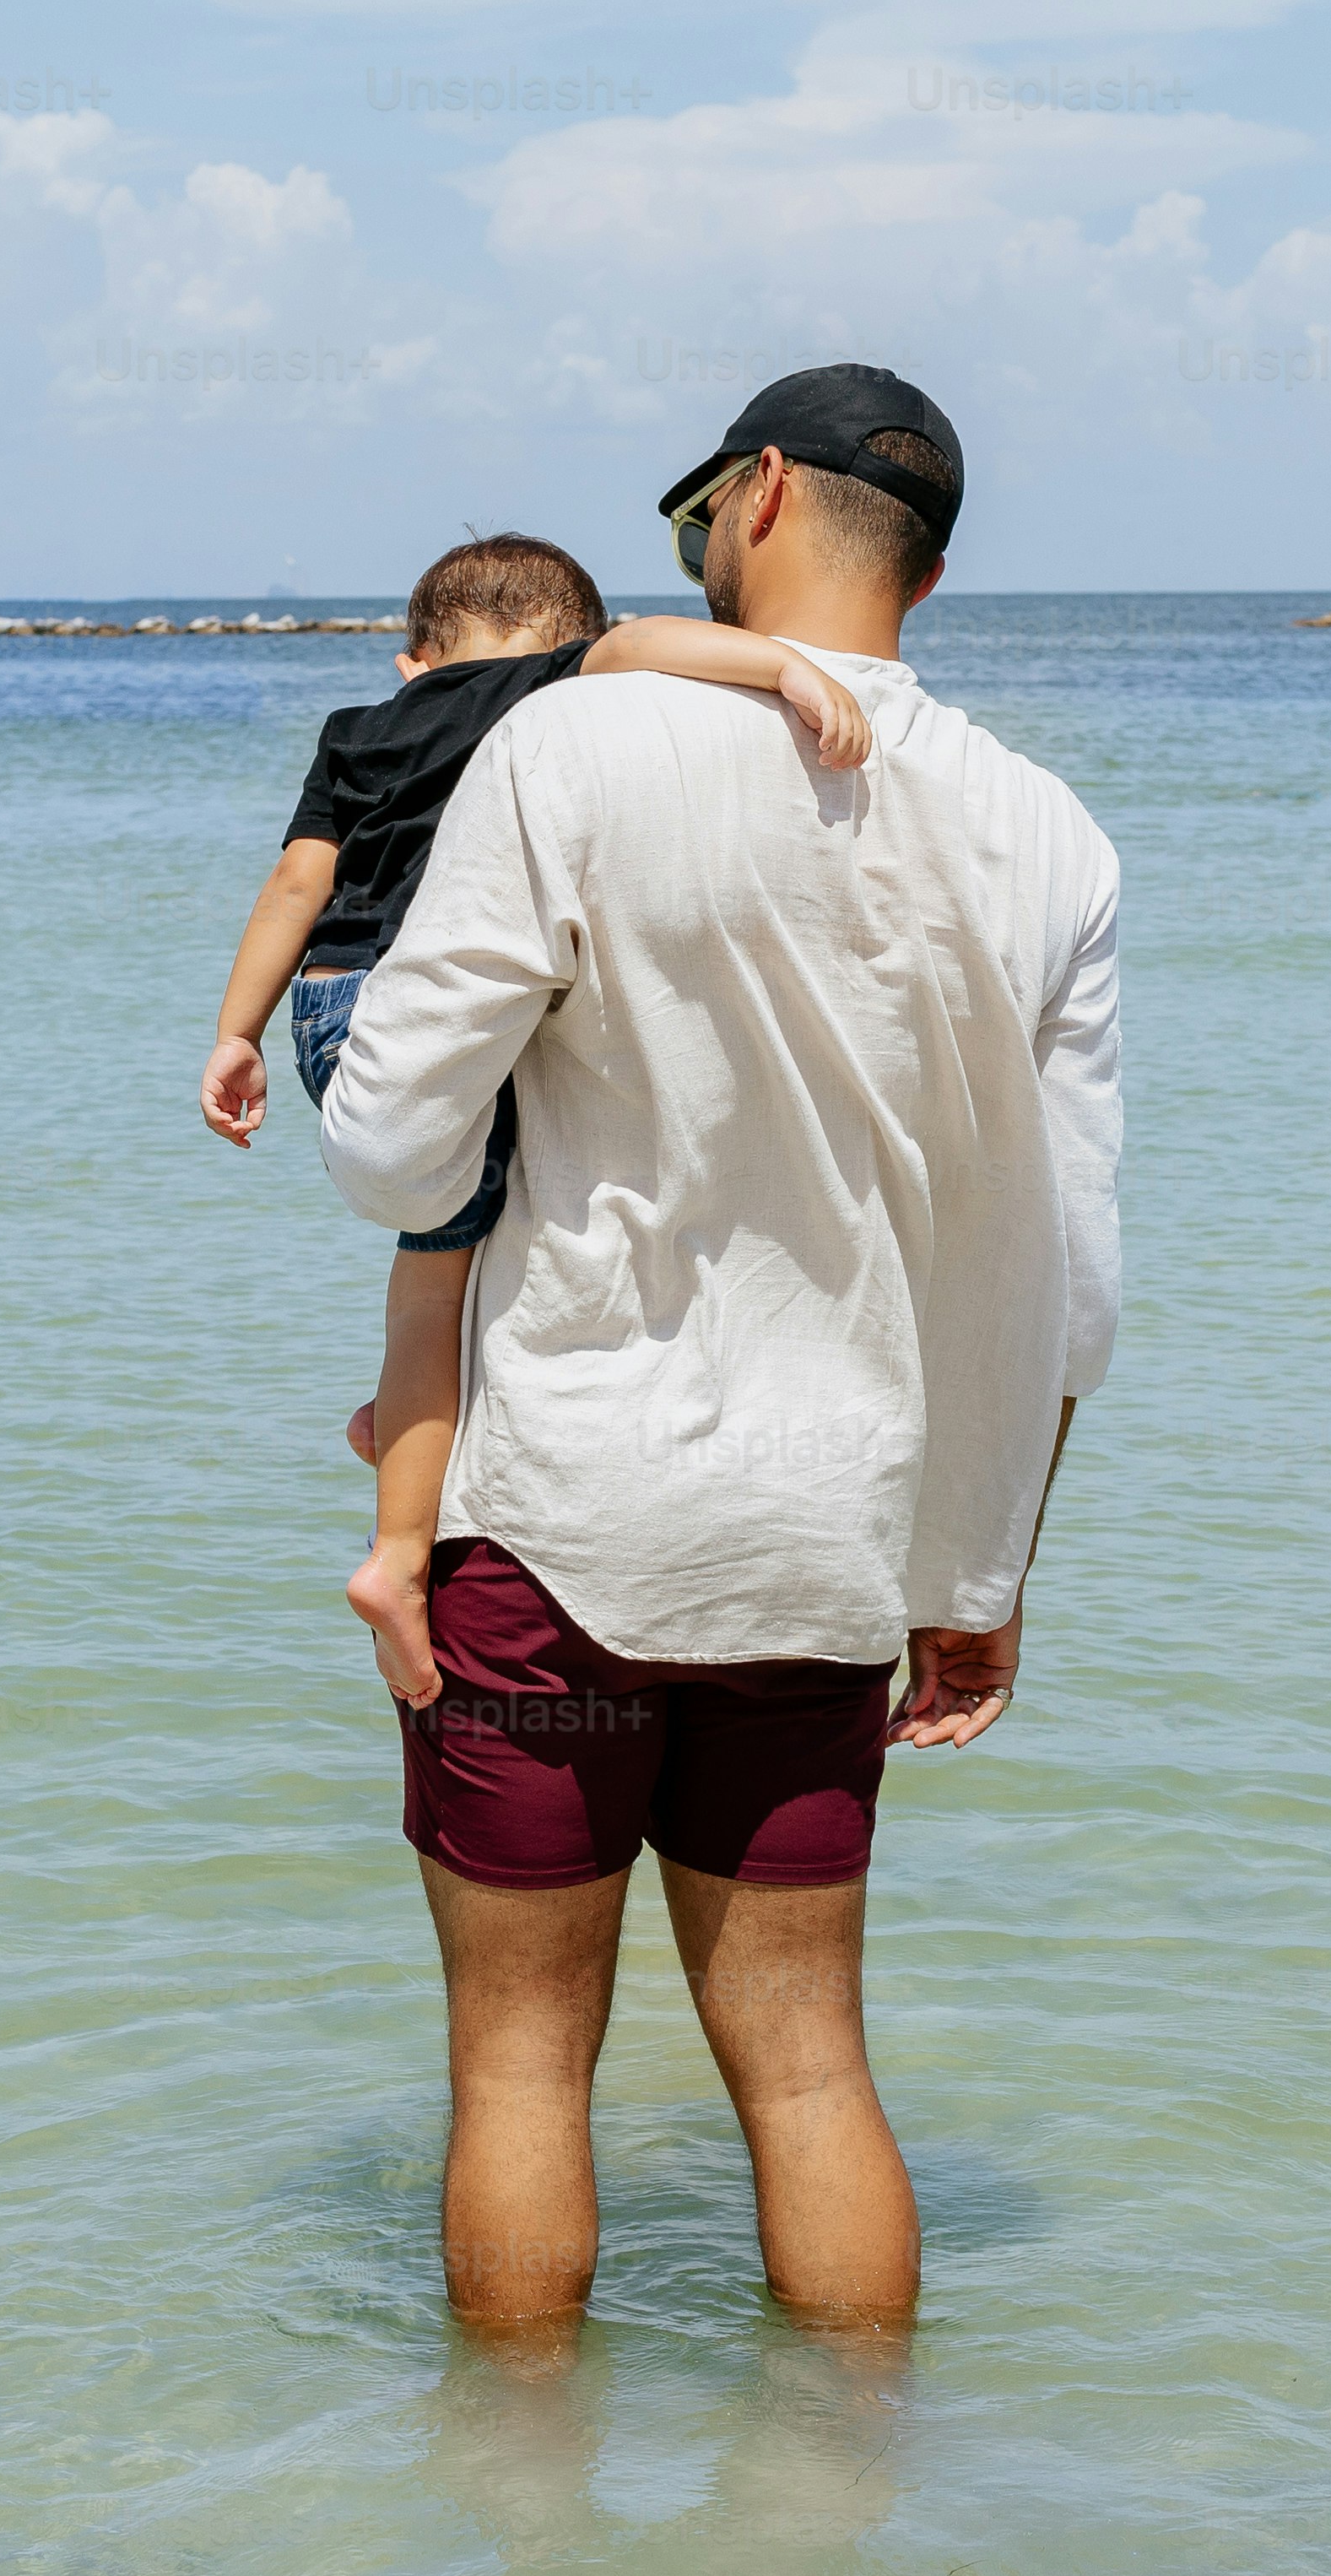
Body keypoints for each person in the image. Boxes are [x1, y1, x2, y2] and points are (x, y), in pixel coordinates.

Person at [321, 369, 1120, 2335]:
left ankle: (518, 2554)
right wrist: (985, 1577)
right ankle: (839, 2536)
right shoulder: (1048, 832)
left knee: (518, 2067)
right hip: (832, 1538)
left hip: (559, 1521)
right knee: (813, 2066)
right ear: (924, 562)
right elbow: (1067, 1275)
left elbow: (393, 1143)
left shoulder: (578, 748)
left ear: (758, 493)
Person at [202, 534, 875, 1706]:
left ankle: (406, 1409)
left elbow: (295, 888)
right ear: (565, 642)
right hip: (441, 1001)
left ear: (413, 660)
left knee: (437, 1261)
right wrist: (782, 671)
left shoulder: (355, 731)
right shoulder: (544, 692)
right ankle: (399, 1552)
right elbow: (651, 645)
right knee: (485, 1246)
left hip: (326, 1009)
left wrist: (235, 1034)